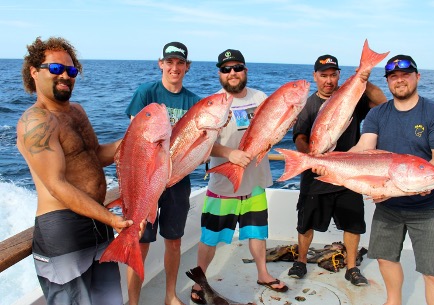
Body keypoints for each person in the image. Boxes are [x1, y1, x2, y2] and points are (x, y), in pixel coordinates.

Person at [17, 36, 135, 305]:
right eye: (56, 69)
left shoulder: (77, 111)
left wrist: (136, 139)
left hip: (98, 223)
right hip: (63, 230)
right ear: (34, 72)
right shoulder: (35, 121)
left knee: (110, 301)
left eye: (71, 71)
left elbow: (95, 157)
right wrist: (112, 219)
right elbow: (56, 185)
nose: (66, 76)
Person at [350, 55, 434, 305]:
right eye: (393, 77)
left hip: (427, 206)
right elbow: (364, 147)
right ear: (388, 82)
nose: (399, 81)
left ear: (417, 77)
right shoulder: (378, 115)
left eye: (405, 75)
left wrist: (416, 186)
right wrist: (325, 161)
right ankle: (393, 301)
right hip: (388, 205)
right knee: (385, 258)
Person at [190, 49, 288, 305]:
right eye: (226, 69)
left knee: (257, 232)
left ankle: (263, 273)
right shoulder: (211, 104)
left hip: (255, 182)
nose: (232, 73)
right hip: (223, 183)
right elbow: (200, 145)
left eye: (237, 68)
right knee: (210, 237)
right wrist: (229, 154)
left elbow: (274, 129)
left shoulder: (261, 97)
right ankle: (200, 281)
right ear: (219, 74)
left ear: (246, 70)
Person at [288, 54, 387, 285]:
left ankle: (352, 268)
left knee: (353, 223)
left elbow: (382, 103)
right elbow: (299, 136)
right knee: (305, 223)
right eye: (323, 75)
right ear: (315, 77)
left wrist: (363, 78)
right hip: (316, 175)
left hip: (348, 174)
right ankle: (301, 261)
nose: (329, 80)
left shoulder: (351, 98)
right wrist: (312, 156)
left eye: (333, 75)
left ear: (339, 75)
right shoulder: (307, 105)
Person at [125, 41, 201, 305]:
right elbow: (134, 140)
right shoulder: (146, 93)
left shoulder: (193, 101)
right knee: (140, 242)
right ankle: (133, 301)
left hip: (178, 181)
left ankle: (170, 296)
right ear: (161, 64)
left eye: (180, 63)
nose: (174, 68)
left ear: (187, 67)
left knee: (174, 242)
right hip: (147, 180)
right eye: (169, 62)